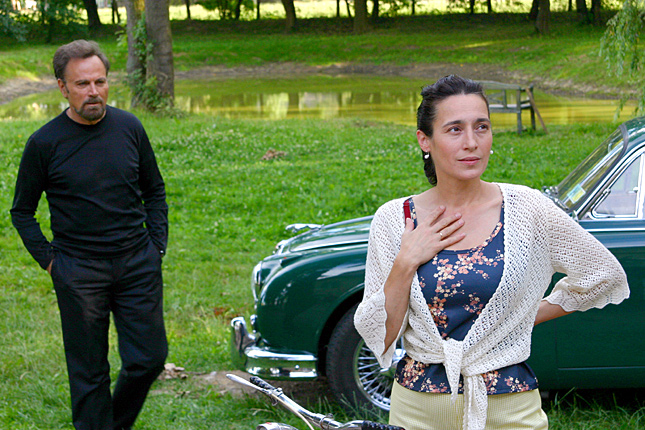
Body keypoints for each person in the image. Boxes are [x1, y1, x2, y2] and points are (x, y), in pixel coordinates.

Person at [353, 75, 629, 430]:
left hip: (509, 407)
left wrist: (520, 317)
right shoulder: (395, 219)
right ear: (425, 140)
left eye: (481, 127)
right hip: (418, 410)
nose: (471, 142)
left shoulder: (527, 209)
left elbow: (603, 274)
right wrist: (406, 262)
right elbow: (382, 335)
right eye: (455, 129)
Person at [10, 40, 168, 430]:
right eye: (82, 84)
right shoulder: (44, 143)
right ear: (63, 88)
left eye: (100, 81)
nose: (93, 91)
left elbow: (154, 190)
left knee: (148, 359)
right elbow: (22, 211)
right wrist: (51, 262)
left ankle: (113, 425)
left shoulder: (129, 127)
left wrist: (156, 245)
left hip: (137, 263)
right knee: (89, 373)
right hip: (78, 271)